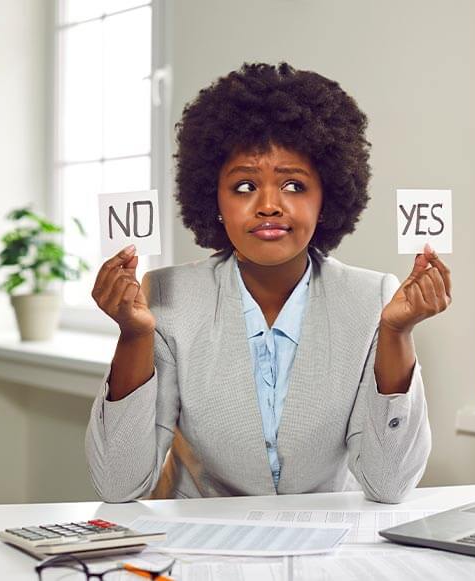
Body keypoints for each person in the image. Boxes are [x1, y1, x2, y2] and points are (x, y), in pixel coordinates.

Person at [86, 62, 451, 504]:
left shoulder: (370, 298)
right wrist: (133, 334)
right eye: (243, 187)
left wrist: (396, 332)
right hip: (202, 548)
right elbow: (118, 485)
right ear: (213, 199)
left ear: (327, 198)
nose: (269, 206)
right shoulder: (167, 296)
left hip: (328, 550)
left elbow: (389, 485)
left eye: (294, 185)